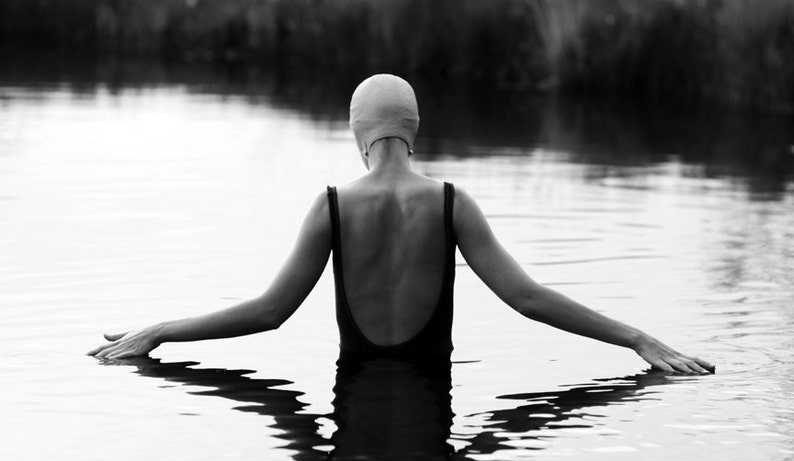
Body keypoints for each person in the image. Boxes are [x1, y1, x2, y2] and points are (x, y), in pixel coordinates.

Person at [88, 74, 715, 375]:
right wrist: (638, 338)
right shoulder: (451, 202)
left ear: (357, 133)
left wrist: (160, 331)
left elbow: (268, 312)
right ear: (413, 131)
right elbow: (526, 299)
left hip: (354, 399)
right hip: (430, 407)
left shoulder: (331, 203)